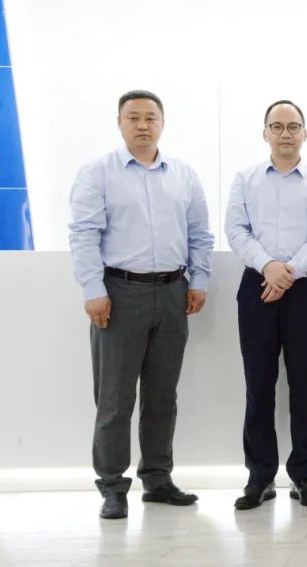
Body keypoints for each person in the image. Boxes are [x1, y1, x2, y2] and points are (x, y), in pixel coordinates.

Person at [68, 89, 214, 520]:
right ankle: (113, 486)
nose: (142, 125)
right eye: (133, 117)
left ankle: (158, 478)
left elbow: (199, 234)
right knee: (115, 398)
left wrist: (199, 281)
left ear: (162, 123)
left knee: (162, 395)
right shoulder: (98, 173)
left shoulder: (184, 175)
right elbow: (83, 234)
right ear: (120, 123)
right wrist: (93, 289)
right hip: (119, 294)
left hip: (172, 292)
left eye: (151, 117)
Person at [225, 100, 307, 510]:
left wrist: (288, 272)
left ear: (305, 133)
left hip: (305, 289)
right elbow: (236, 229)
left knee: (305, 386)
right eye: (277, 126)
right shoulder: (245, 179)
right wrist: (268, 267)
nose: (285, 133)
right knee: (258, 385)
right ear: (265, 133)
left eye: (293, 126)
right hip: (257, 286)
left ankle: (305, 477)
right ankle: (260, 477)